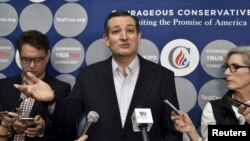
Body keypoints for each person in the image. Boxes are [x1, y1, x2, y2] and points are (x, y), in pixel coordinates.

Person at [14, 10, 182, 141]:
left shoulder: (162, 76)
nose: (124, 37)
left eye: (130, 31)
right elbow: (66, 117)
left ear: (138, 37)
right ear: (107, 40)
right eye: (116, 32)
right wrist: (51, 100)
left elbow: (173, 130)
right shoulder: (89, 76)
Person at [0, 30, 76, 141]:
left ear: (47, 57)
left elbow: (68, 131)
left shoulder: (61, 89)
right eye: (26, 59)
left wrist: (42, 129)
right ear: (19, 58)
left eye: (37, 59)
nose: (31, 65)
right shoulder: (3, 86)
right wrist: (9, 126)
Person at [171, 46, 250, 141]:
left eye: (235, 67)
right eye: (227, 67)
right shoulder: (214, 109)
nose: (226, 72)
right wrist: (192, 132)